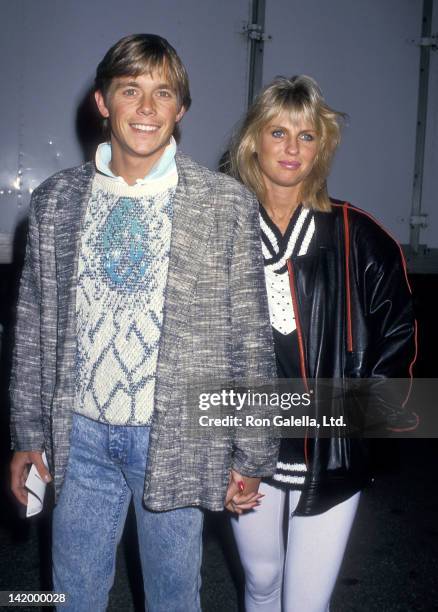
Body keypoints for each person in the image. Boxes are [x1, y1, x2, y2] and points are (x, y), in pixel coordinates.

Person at [9, 34, 279, 611]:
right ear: (103, 103)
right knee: (69, 596)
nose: (148, 108)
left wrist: (252, 454)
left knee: (173, 596)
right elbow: (33, 329)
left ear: (181, 109)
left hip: (176, 435)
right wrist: (28, 437)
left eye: (164, 94)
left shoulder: (223, 203)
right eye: (131, 90)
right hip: (79, 435)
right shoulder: (56, 201)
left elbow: (250, 340)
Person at [228, 75, 417, 612]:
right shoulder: (226, 230)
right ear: (253, 141)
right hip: (247, 444)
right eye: (279, 132)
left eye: (307, 136)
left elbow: (398, 332)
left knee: (306, 604)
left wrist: (360, 421)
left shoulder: (359, 235)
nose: (292, 148)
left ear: (323, 146)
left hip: (330, 452)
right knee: (261, 581)